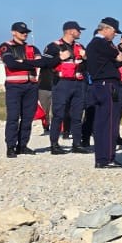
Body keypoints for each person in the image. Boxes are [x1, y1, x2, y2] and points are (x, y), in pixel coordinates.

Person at [0, 21, 57, 157]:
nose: (25, 34)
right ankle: (11, 147)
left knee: (28, 117)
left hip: (31, 86)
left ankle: (23, 145)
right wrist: (31, 64)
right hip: (14, 86)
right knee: (13, 117)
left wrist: (22, 62)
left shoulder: (32, 48)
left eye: (26, 32)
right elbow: (11, 64)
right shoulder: (6, 47)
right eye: (21, 32)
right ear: (13, 32)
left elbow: (43, 63)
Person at [84, 17, 122, 169]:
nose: (115, 35)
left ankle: (101, 157)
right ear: (106, 29)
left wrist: (119, 60)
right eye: (114, 32)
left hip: (97, 85)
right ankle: (107, 157)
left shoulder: (92, 44)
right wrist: (119, 57)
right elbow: (116, 57)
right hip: (107, 85)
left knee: (100, 123)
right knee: (109, 123)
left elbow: (115, 61)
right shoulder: (102, 43)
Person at [43, 21, 89, 155]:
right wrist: (59, 58)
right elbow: (46, 64)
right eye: (78, 30)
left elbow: (87, 66)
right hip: (62, 83)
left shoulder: (80, 47)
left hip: (78, 83)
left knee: (77, 115)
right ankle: (54, 145)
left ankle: (77, 144)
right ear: (70, 31)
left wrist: (85, 58)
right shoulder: (53, 46)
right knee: (58, 114)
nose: (80, 32)